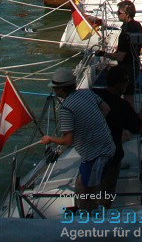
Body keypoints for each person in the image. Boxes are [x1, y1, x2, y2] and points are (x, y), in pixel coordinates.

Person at [40, 67, 115, 212]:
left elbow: (68, 141)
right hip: (105, 146)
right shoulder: (87, 93)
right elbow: (106, 109)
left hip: (96, 154)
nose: (55, 91)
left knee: (89, 192)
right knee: (81, 183)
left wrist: (49, 139)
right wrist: (92, 126)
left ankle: (89, 220)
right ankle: (85, 210)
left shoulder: (66, 109)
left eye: (55, 88)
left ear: (61, 89)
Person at [95, 65, 142, 194]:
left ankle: (87, 211)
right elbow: (137, 127)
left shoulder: (95, 95)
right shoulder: (121, 106)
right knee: (106, 194)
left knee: (89, 189)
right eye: (126, 80)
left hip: (92, 153)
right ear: (119, 83)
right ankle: (100, 212)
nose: (128, 84)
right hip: (110, 157)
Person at [97, 0, 142, 104]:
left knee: (114, 95)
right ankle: (130, 116)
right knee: (129, 96)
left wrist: (103, 54)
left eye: (119, 13)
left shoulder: (128, 30)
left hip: (126, 69)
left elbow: (121, 56)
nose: (117, 15)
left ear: (127, 14)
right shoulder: (137, 26)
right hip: (134, 66)